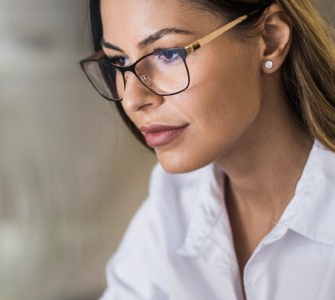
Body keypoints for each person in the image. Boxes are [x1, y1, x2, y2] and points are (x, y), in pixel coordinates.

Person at [79, 0, 335, 299]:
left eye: (167, 54)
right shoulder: (175, 202)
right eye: (119, 61)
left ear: (270, 39)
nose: (133, 99)